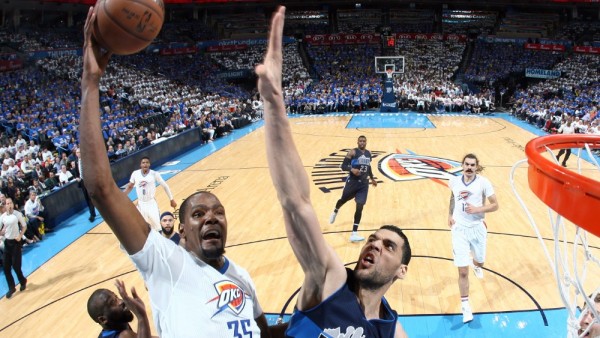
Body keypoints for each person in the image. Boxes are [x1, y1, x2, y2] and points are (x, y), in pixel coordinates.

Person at [79, 7, 285, 337]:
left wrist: (320, 310)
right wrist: (91, 82)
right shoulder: (167, 264)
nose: (211, 218)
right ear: (183, 234)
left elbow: (265, 333)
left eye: (218, 212)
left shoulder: (242, 277)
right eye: (199, 213)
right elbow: (102, 188)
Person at [257, 7, 410, 337]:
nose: (375, 245)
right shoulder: (330, 279)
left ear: (402, 271)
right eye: (373, 239)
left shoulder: (392, 330)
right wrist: (274, 105)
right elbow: (296, 202)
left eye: (388, 246)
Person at [448, 153, 499, 323]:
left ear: (476, 167)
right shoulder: (454, 181)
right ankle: (466, 308)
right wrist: (449, 214)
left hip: (477, 228)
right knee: (463, 271)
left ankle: (477, 264)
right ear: (462, 165)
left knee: (480, 262)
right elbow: (453, 197)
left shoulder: (484, 183)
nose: (469, 167)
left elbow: (495, 205)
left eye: (472, 165)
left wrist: (477, 209)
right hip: (459, 229)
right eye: (466, 164)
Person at [328, 135, 378, 242]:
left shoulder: (369, 154)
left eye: (364, 141)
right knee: (343, 200)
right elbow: (343, 166)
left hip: (364, 184)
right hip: (352, 182)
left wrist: (372, 178)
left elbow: (368, 167)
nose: (362, 143)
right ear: (357, 142)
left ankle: (354, 233)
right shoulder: (352, 152)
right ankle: (336, 210)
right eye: (360, 141)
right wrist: (352, 169)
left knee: (360, 206)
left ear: (366, 142)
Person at [122, 156, 177, 232]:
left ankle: (162, 241)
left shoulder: (154, 174)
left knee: (158, 227)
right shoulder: (135, 173)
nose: (145, 164)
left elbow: (165, 186)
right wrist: (121, 197)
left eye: (147, 162)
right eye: (143, 163)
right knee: (141, 228)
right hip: (141, 204)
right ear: (140, 165)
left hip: (151, 203)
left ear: (149, 164)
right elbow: (130, 186)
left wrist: (171, 199)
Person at [87, 279, 154, 338]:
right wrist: (141, 316)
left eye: (117, 297)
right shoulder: (124, 335)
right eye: (113, 302)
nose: (121, 302)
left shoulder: (115, 327)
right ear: (103, 319)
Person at [0, 197, 28, 299]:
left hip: (16, 242)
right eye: (7, 203)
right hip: (7, 243)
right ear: (5, 205)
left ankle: (22, 281)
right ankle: (11, 287)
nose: (9, 205)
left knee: (16, 266)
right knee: (6, 267)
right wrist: (1, 232)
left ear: (12, 203)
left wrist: (20, 236)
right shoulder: (2, 217)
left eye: (10, 203)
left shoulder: (17, 214)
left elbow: (24, 226)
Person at [74, 148, 97, 222]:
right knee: (87, 198)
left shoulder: (86, 160)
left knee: (93, 196)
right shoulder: (76, 162)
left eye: (79, 152)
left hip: (89, 180)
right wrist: (77, 177)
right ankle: (92, 214)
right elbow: (76, 171)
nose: (78, 153)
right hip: (82, 181)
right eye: (77, 152)